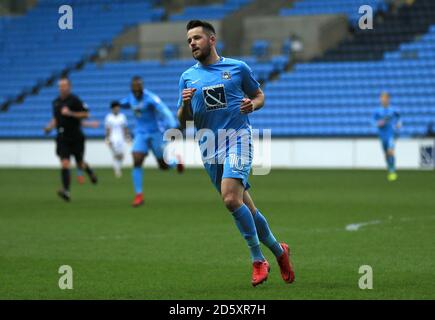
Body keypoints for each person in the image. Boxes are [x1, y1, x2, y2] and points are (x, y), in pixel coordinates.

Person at [177, 20, 295, 287]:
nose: (192, 43)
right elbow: (182, 121)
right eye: (189, 40)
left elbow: (259, 95)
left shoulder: (237, 68)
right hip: (208, 146)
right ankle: (280, 251)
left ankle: (258, 259)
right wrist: (185, 105)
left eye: (196, 38)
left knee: (230, 199)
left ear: (212, 39)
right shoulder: (187, 77)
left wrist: (252, 105)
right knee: (247, 209)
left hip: (237, 140)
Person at [120, 76, 184, 207]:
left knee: (163, 166)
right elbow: (124, 103)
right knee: (136, 159)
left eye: (139, 86)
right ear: (132, 88)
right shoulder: (130, 98)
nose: (137, 89)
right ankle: (139, 195)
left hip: (156, 133)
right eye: (134, 87)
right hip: (140, 134)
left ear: (142, 87)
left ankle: (175, 162)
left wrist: (172, 125)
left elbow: (164, 111)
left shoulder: (151, 98)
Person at [44, 77, 98, 202]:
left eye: (64, 86)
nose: (61, 88)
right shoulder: (55, 102)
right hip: (62, 138)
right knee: (65, 163)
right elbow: (56, 119)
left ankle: (89, 172)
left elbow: (86, 114)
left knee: (79, 163)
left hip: (76, 137)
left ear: (69, 87)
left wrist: (71, 113)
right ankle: (66, 191)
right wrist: (49, 127)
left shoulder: (75, 100)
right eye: (60, 86)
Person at [373, 91, 402, 181]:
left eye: (386, 98)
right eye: (382, 98)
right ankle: (390, 167)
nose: (384, 100)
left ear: (388, 99)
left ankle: (392, 171)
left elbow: (399, 118)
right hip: (382, 135)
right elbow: (373, 122)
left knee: (390, 151)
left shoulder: (393, 110)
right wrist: (379, 123)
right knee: (386, 154)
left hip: (390, 134)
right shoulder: (377, 111)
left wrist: (399, 124)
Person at [104, 101, 130, 178]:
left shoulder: (122, 116)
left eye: (118, 107)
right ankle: (117, 170)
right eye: (115, 107)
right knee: (116, 154)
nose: (117, 109)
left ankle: (117, 168)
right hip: (113, 138)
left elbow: (125, 128)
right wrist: (107, 138)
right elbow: (108, 129)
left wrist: (127, 136)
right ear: (112, 108)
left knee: (121, 155)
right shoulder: (109, 117)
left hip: (121, 138)